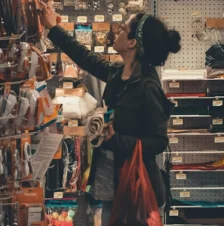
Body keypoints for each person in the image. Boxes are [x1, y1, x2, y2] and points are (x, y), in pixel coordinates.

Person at [39, 4, 181, 225]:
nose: (117, 31)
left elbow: (158, 141)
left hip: (134, 190)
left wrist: (116, 140)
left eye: (123, 29)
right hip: (109, 184)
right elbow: (84, 57)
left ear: (133, 43)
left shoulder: (148, 87)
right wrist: (53, 28)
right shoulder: (118, 74)